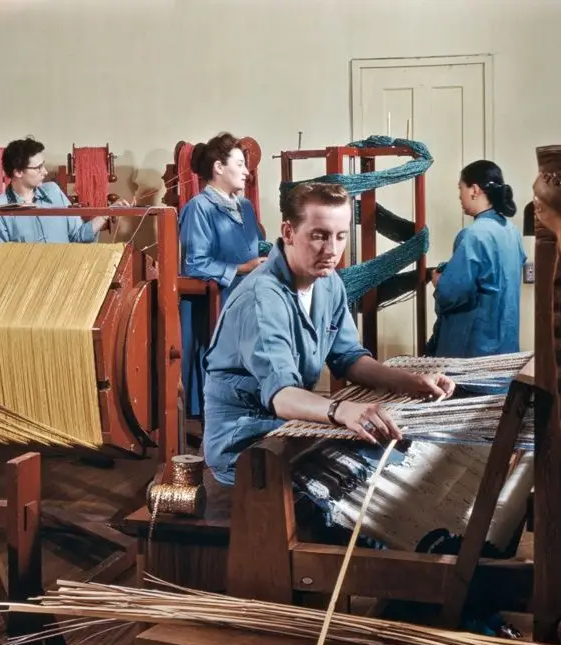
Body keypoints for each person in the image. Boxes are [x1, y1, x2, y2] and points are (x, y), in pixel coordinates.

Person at [201, 182, 456, 487]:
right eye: (319, 236)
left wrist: (412, 382)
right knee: (375, 477)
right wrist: (341, 410)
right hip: (246, 444)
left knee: (398, 458)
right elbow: (281, 396)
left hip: (288, 427)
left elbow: (348, 358)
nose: (332, 250)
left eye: (340, 236)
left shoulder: (329, 283)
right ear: (288, 232)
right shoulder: (262, 298)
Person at [179, 132, 266, 420]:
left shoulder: (246, 207)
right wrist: (243, 268)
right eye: (240, 164)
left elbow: (251, 249)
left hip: (247, 300)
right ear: (218, 167)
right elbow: (195, 263)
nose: (246, 171)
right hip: (217, 305)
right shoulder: (198, 208)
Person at [426, 160, 526, 358]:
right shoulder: (511, 232)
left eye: (460, 188)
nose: (459, 196)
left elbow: (451, 293)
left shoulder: (473, 235)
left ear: (474, 190)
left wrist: (438, 280)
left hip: (473, 354)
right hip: (505, 351)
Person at [0, 136, 129, 243]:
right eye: (38, 168)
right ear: (18, 172)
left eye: (44, 165)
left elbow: (78, 235)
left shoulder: (53, 191)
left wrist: (108, 213)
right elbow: (3, 262)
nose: (45, 172)